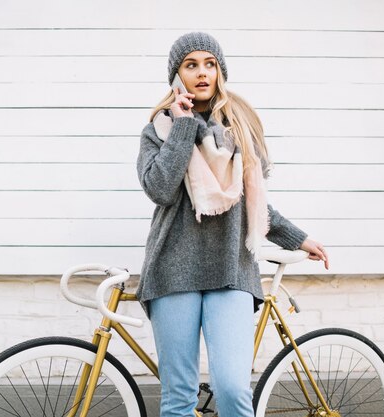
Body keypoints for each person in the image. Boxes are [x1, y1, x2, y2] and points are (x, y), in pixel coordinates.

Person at [135, 32, 329, 417]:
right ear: (177, 75)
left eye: (210, 64)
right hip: (172, 271)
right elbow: (160, 188)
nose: (202, 73)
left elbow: (253, 206)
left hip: (232, 270)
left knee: (233, 389)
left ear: (221, 72)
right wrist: (184, 125)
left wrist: (298, 237)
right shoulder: (157, 130)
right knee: (178, 398)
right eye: (191, 65)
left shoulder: (239, 131)